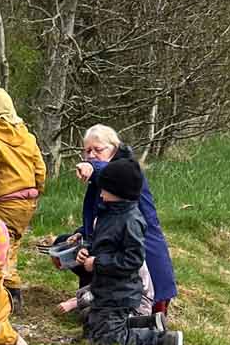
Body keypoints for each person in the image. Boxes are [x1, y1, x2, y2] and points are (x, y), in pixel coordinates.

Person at [58, 124, 177, 316]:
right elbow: (103, 217)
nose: (92, 154)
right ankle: (89, 296)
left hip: (141, 253)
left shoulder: (126, 172)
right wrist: (81, 232)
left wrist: (92, 167)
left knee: (149, 306)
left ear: (114, 147)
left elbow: (109, 171)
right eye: (88, 151)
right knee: (66, 244)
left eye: (98, 149)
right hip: (118, 245)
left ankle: (146, 319)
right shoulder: (105, 178)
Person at [77, 158, 184, 345]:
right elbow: (101, 242)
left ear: (119, 192)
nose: (101, 193)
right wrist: (87, 249)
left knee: (107, 340)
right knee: (91, 327)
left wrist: (98, 263)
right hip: (105, 288)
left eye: (105, 189)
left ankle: (163, 341)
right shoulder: (108, 213)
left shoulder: (131, 221)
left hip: (120, 292)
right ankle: (147, 323)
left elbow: (132, 260)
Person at [0, 88, 46, 308]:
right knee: (14, 243)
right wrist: (37, 191)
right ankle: (9, 292)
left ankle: (9, 294)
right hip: (27, 201)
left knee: (3, 247)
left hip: (5, 202)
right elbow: (40, 169)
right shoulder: (28, 137)